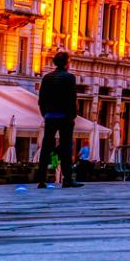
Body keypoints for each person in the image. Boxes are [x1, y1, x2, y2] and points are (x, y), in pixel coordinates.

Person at [33, 51, 80, 189]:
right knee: (66, 147)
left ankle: (42, 179)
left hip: (50, 116)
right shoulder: (69, 78)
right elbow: (72, 98)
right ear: (66, 63)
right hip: (65, 116)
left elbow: (41, 99)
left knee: (46, 147)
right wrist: (72, 116)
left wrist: (45, 114)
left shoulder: (47, 78)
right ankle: (67, 179)